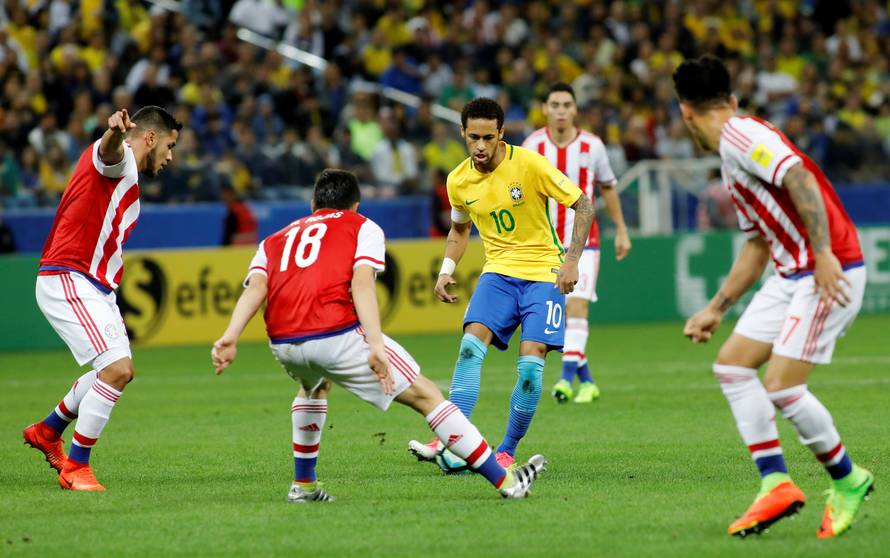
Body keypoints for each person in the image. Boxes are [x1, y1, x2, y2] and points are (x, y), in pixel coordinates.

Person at [210, 169, 546, 502]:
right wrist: (374, 345)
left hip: (283, 342)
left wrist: (230, 336)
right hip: (334, 334)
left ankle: (304, 485)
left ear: (313, 203)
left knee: (314, 387)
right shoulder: (362, 226)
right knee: (426, 395)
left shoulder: (275, 239)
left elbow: (257, 288)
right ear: (355, 205)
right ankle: (507, 481)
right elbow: (362, 283)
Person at [674, 56, 873, 539]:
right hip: (791, 275)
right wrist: (716, 308)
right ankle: (776, 484)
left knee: (783, 387)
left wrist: (823, 253)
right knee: (733, 366)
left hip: (827, 270)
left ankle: (848, 479)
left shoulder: (741, 135)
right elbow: (758, 245)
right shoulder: (732, 155)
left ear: (685, 112)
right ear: (731, 99)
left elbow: (799, 178)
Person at [408, 98, 595, 469]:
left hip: (543, 274)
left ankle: (506, 451)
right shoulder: (458, 180)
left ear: (501, 134)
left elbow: (584, 205)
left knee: (530, 373)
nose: (480, 146)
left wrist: (572, 260)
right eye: (473, 137)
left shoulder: (529, 164)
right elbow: (459, 230)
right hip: (497, 274)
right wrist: (446, 269)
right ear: (463, 133)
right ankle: (450, 441)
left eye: (488, 138)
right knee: (468, 349)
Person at [23, 106, 181, 491]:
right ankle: (76, 468)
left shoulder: (128, 174)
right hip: (69, 277)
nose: (170, 156)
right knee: (117, 370)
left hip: (95, 286)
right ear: (150, 138)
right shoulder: (120, 158)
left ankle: (48, 430)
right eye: (170, 145)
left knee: (111, 372)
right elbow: (108, 152)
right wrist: (113, 132)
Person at [522, 83, 632, 404]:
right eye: (555, 104)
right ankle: (588, 381)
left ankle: (565, 380)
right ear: (545, 109)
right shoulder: (532, 146)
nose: (561, 111)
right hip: (545, 244)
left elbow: (608, 187)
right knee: (557, 316)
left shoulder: (593, 146)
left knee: (577, 307)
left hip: (585, 242)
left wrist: (621, 230)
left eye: (566, 105)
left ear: (575, 109)